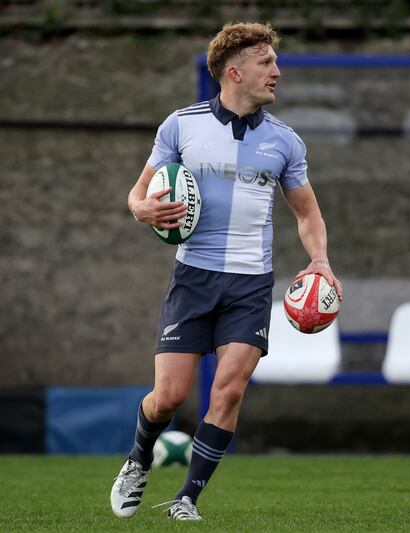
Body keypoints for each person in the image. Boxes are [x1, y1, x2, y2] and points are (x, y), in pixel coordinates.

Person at [110, 21, 342, 521]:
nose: (277, 72)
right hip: (192, 277)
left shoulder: (286, 142)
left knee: (230, 389)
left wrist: (319, 262)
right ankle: (138, 457)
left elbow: (308, 214)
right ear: (234, 72)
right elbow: (138, 193)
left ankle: (186, 499)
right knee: (168, 398)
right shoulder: (180, 125)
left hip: (250, 283)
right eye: (266, 63)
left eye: (275, 62)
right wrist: (140, 209)